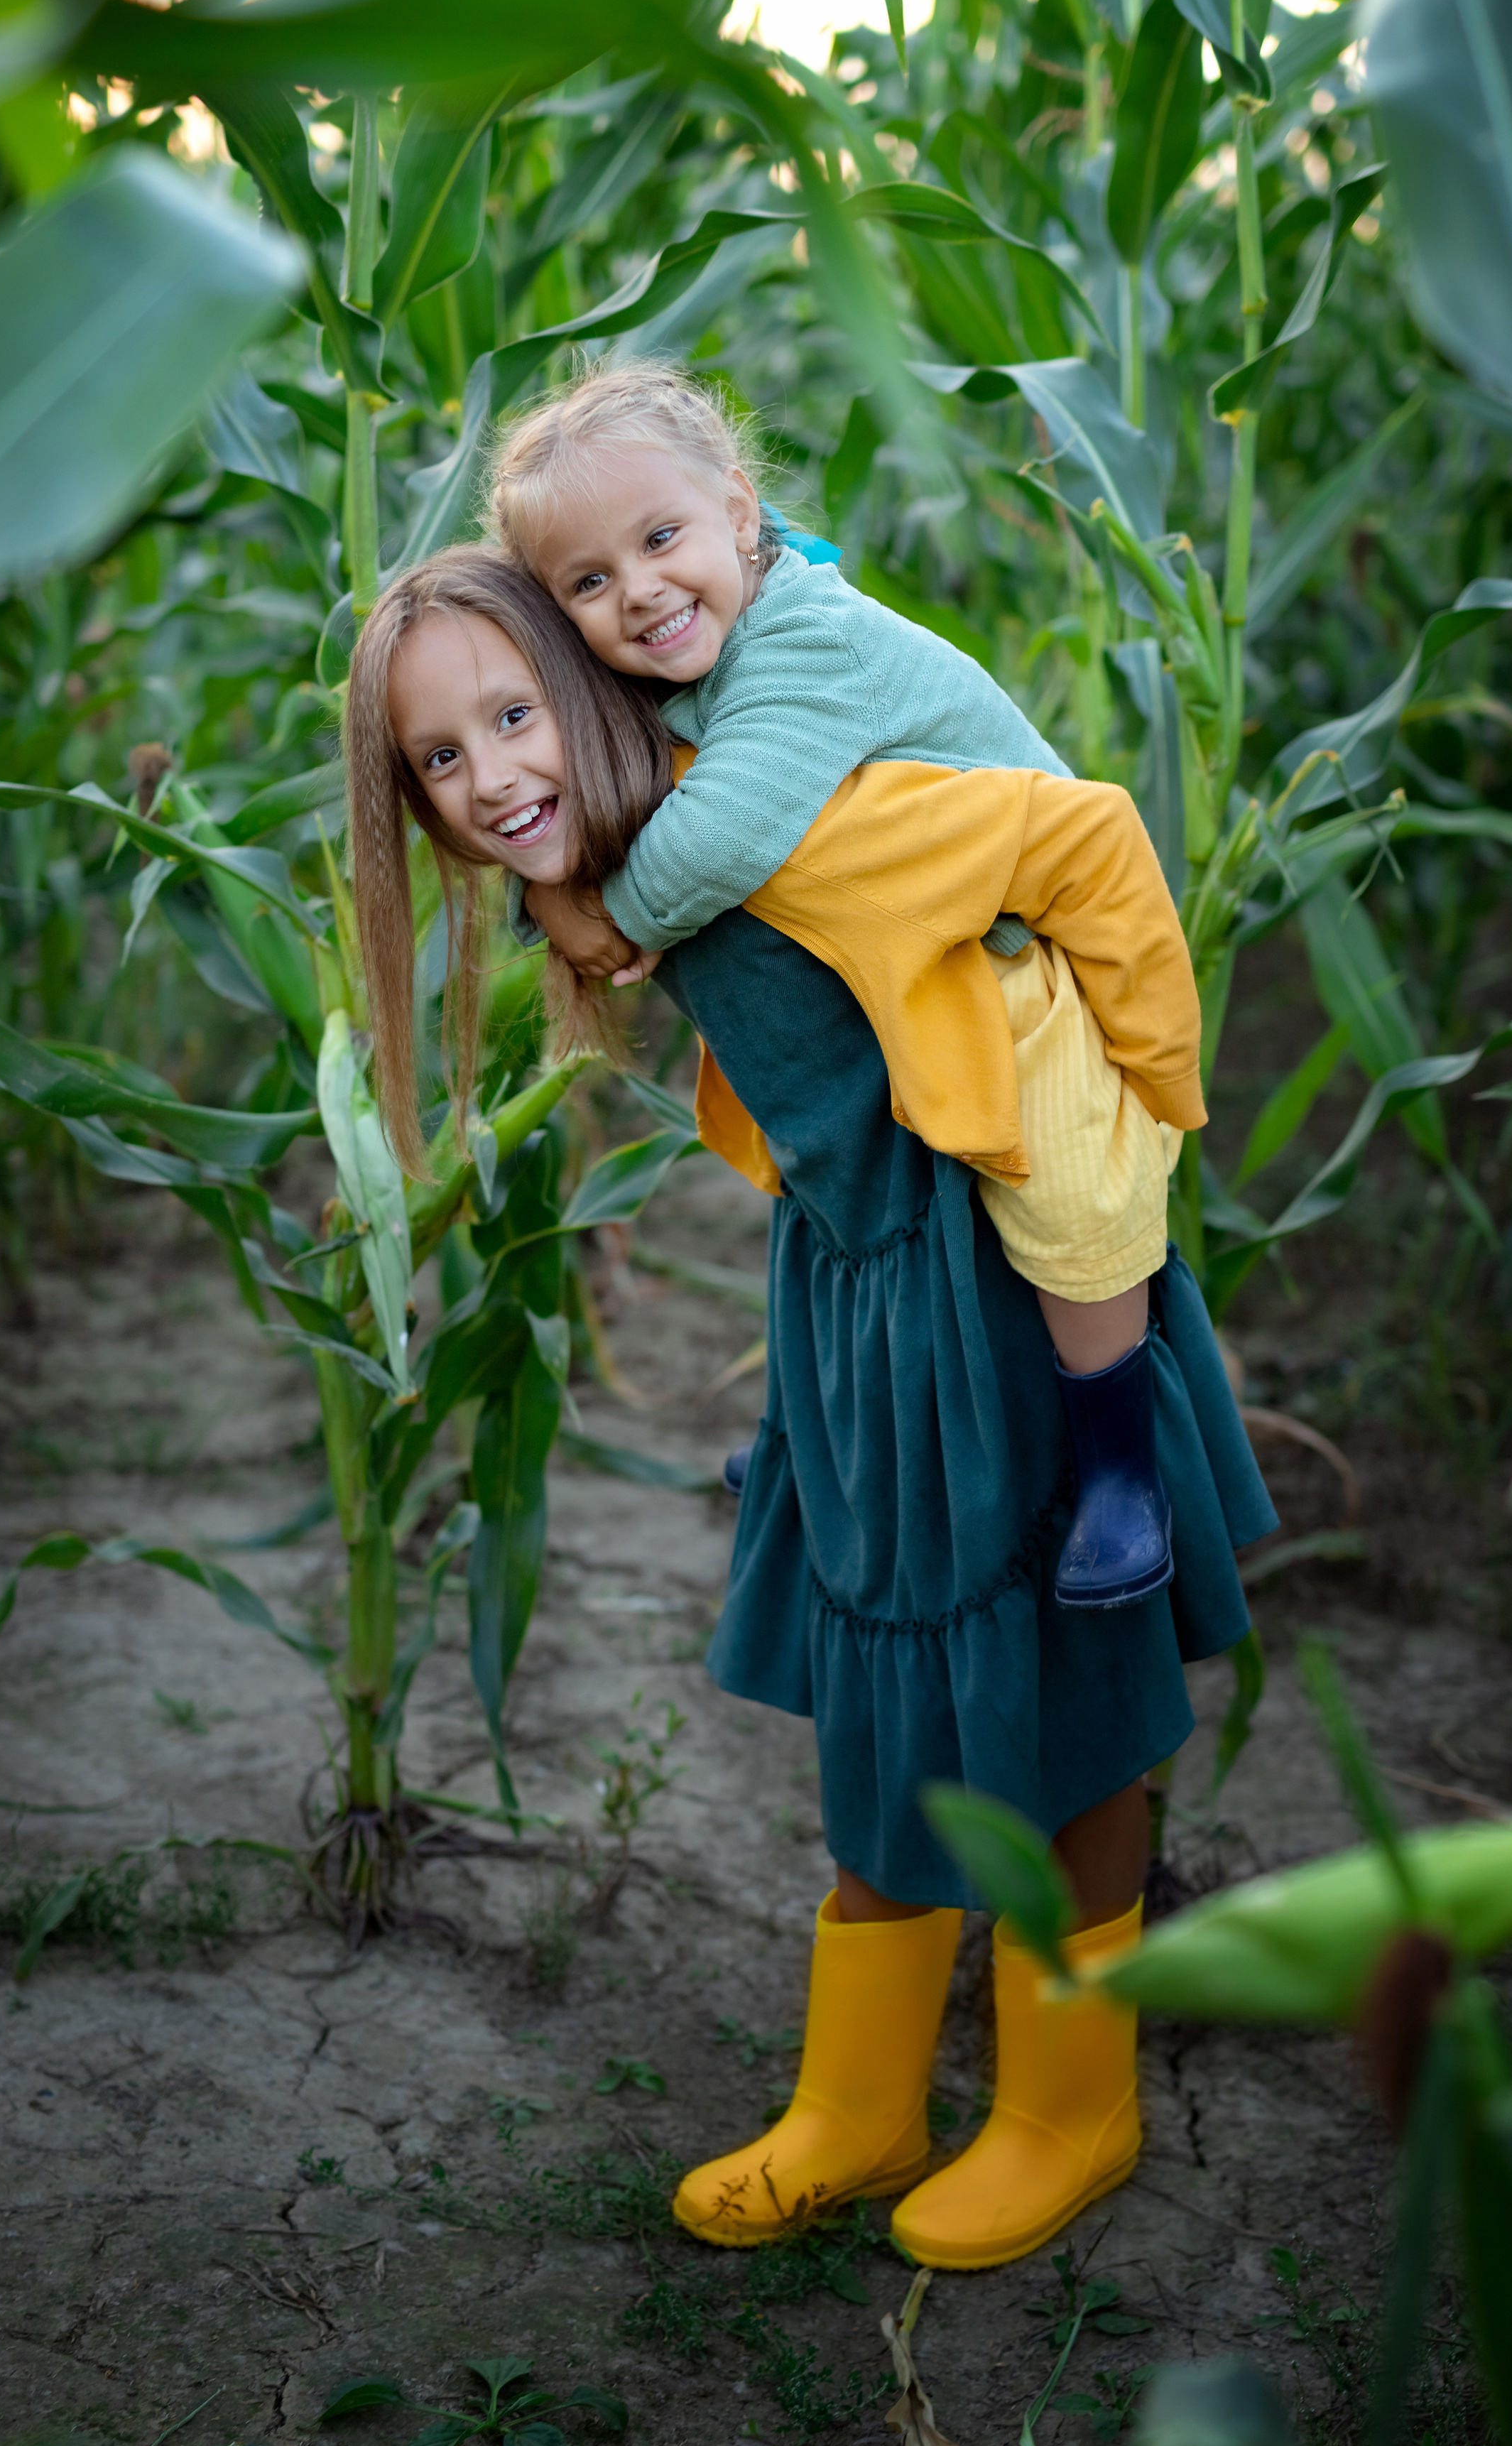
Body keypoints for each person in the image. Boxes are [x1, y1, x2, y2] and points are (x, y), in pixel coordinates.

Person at [345, 549, 1277, 2271]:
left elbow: (1072, 835)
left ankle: (1072, 2103)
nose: (488, 779)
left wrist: (1156, 1071)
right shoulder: (648, 854)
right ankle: (858, 2104)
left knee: (1068, 1686)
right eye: (438, 759)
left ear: (597, 686)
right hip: (856, 1300)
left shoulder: (803, 816)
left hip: (994, 1277)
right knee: (879, 1690)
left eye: (514, 716)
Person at [484, 362, 1207, 1616]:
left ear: (738, 512)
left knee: (1073, 1206)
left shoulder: (807, 643)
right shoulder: (692, 649)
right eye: (587, 583)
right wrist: (537, 891)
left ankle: (1119, 1474)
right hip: (892, 973)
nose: (638, 590)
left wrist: (603, 921)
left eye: (660, 540)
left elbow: (717, 839)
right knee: (835, 1211)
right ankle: (808, 1444)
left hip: (1016, 967)